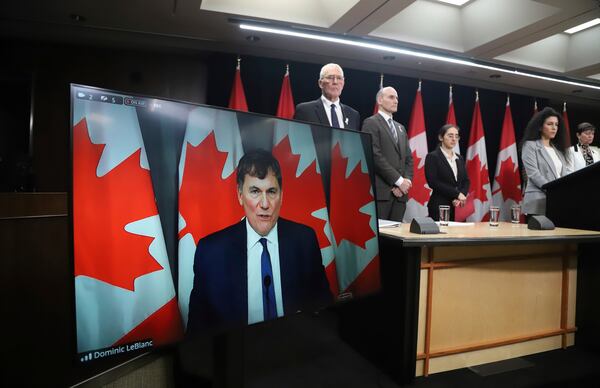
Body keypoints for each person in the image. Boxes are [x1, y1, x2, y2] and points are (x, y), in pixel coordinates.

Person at [186, 150, 331, 335]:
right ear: (240, 195)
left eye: (271, 192)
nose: (264, 204)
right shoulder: (211, 251)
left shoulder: (304, 240)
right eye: (255, 191)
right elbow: (196, 333)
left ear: (282, 195)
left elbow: (323, 310)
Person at [362, 86, 413, 221]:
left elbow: (408, 159)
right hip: (382, 194)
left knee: (396, 239)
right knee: (382, 239)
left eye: (396, 98)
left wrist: (405, 183)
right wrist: (398, 181)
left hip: (400, 195)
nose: (395, 101)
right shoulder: (371, 123)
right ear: (380, 100)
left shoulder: (401, 128)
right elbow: (375, 155)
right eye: (391, 97)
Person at [520, 107, 572, 216]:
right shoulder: (530, 145)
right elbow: (534, 174)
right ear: (540, 127)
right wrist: (553, 191)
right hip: (538, 201)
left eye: (556, 124)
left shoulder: (558, 150)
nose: (554, 128)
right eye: (550, 124)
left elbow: (564, 175)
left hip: (557, 201)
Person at [294, 63, 360, 130]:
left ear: (343, 83)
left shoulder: (353, 115)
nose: (335, 82)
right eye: (330, 77)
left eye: (339, 78)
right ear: (320, 83)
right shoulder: (305, 110)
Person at [424, 124, 470, 221]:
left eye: (456, 136)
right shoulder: (432, 157)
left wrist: (460, 197)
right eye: (450, 136)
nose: (454, 139)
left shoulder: (459, 158)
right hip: (440, 206)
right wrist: (456, 194)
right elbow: (433, 182)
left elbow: (466, 181)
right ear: (441, 137)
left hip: (459, 207)